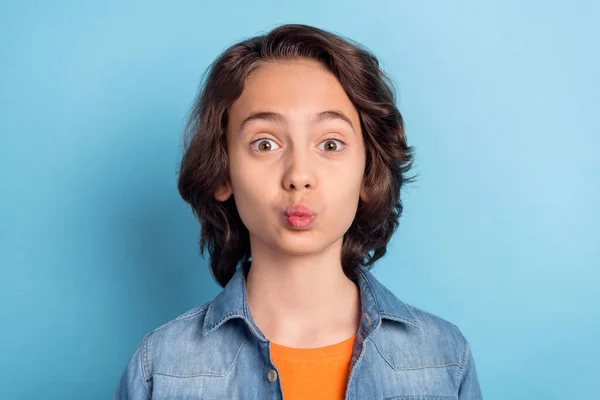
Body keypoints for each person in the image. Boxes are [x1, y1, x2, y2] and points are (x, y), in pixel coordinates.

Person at [114, 23, 483, 399]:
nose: (299, 176)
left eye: (331, 144)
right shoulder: (160, 369)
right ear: (222, 172)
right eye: (265, 144)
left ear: (368, 175)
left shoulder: (444, 358)